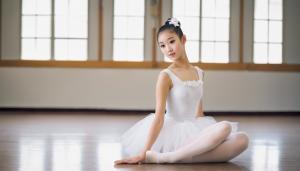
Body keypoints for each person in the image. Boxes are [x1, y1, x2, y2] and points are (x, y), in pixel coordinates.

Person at [114, 18, 249, 164]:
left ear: (183, 39)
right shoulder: (166, 76)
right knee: (225, 127)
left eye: (171, 42)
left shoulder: (199, 72)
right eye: (162, 46)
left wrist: (207, 136)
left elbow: (199, 113)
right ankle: (172, 156)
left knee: (242, 140)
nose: (168, 49)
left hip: (195, 131)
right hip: (174, 133)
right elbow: (159, 117)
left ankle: (174, 157)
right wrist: (144, 152)